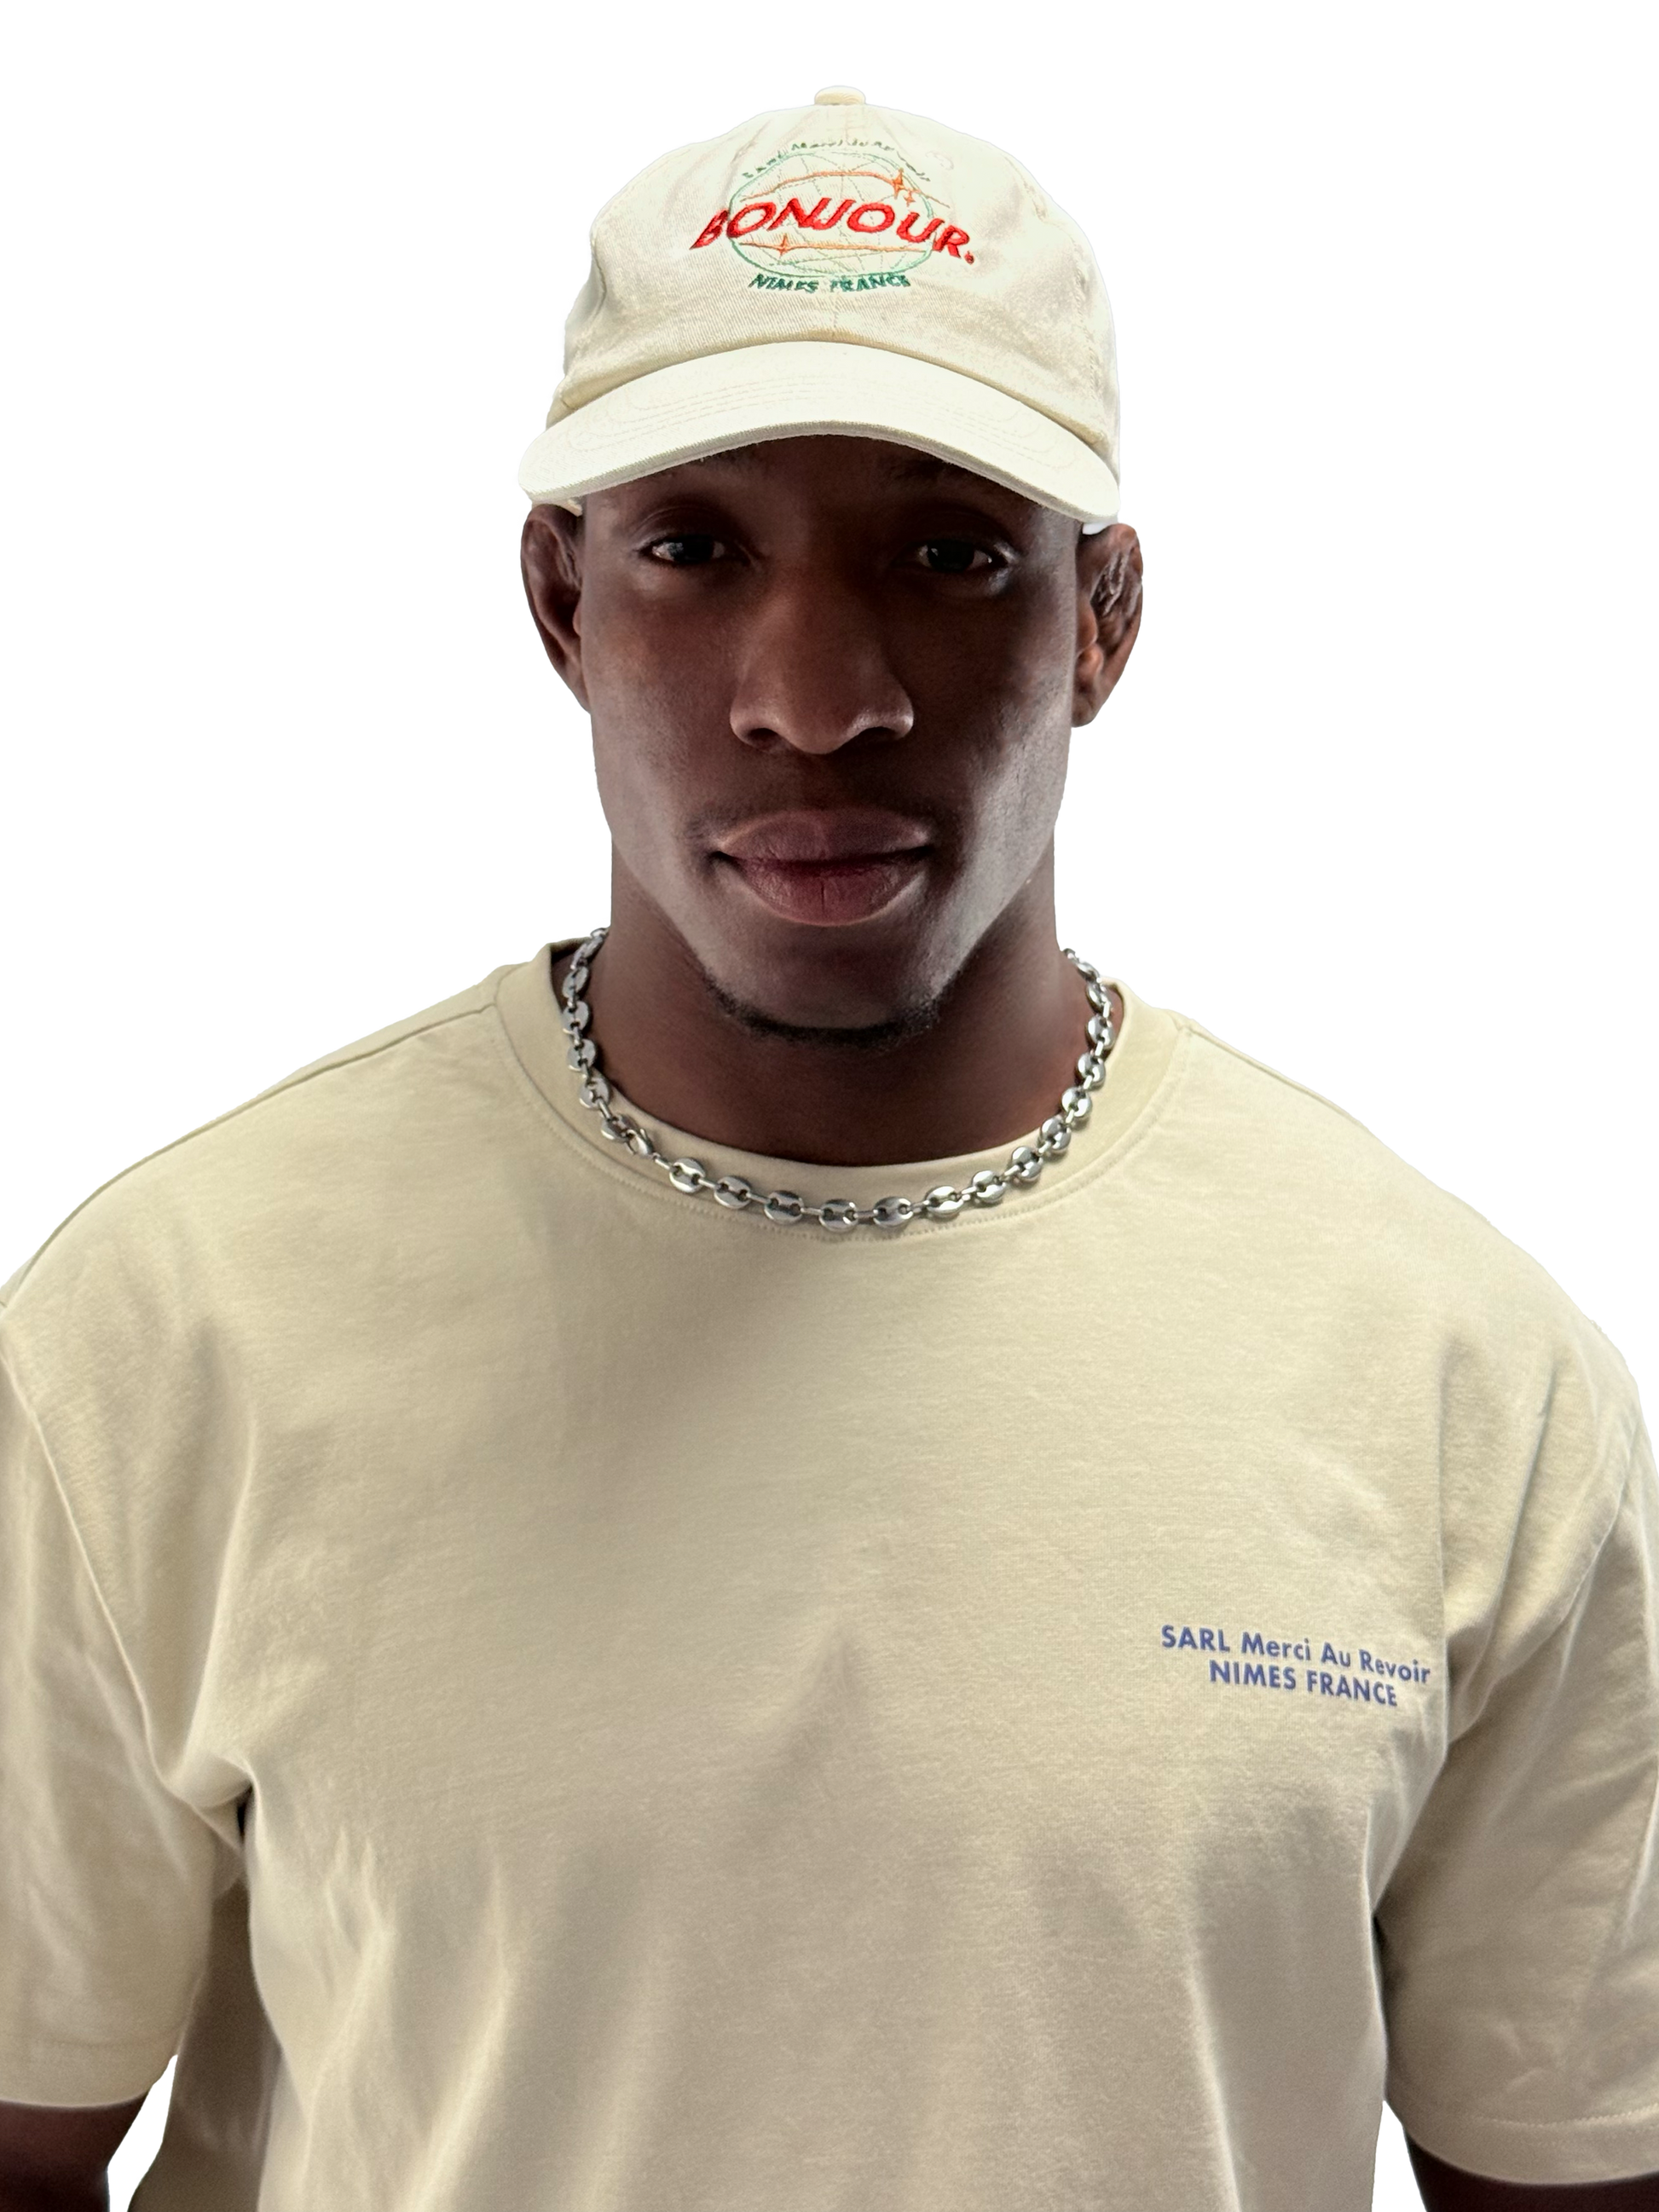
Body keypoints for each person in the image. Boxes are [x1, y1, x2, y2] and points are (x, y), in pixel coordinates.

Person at [1, 83, 1654, 2212]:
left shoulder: (1462, 1373)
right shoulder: (166, 1323)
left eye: (949, 552)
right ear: (557, 599)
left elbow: (1567, 2169)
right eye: (694, 548)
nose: (814, 694)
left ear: (1101, 617)